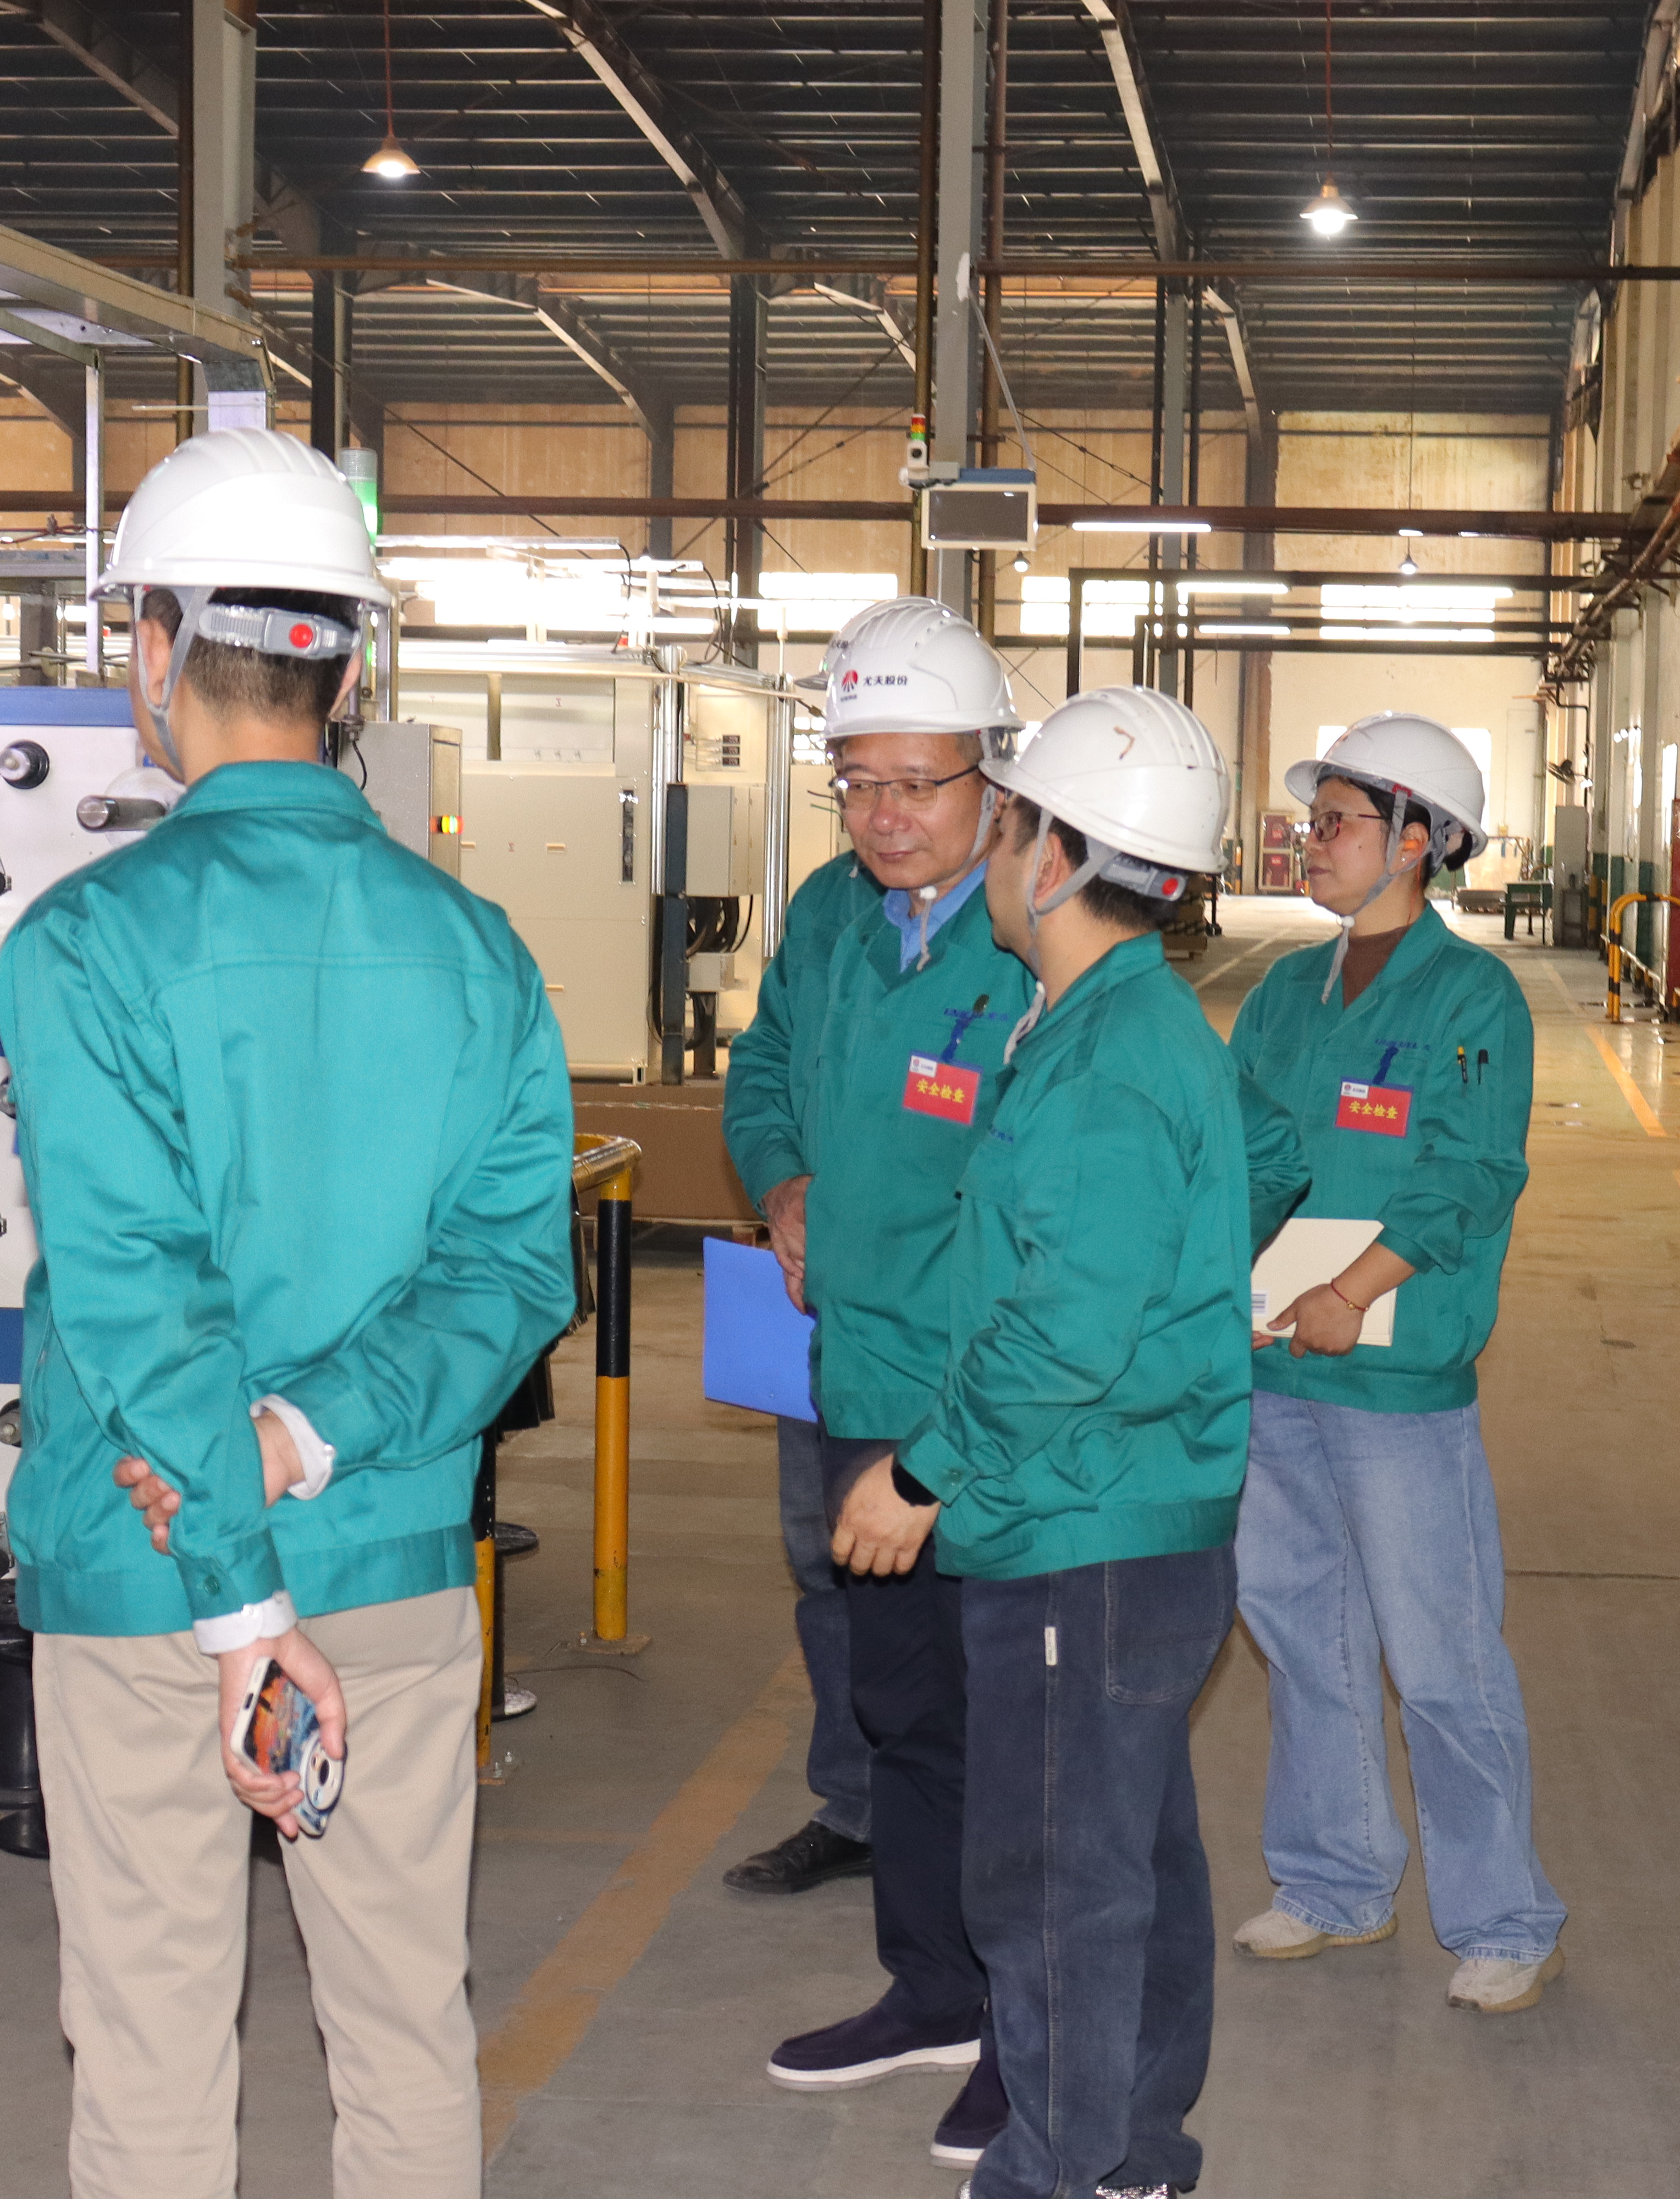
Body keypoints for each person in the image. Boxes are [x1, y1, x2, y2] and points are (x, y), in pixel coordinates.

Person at [0, 427, 575, 2199]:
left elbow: (137, 1286)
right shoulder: (478, 950)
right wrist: (309, 1434)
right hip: (387, 1560)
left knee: (155, 2041)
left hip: (148, 1574)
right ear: (352, 668)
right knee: (404, 2023)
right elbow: (510, 1276)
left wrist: (243, 1593)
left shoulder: (84, 943)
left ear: (153, 645)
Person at [830, 686, 1274, 2199]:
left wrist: (920, 1471)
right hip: (1117, 1521)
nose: (990, 846)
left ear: (1062, 855)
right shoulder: (1096, 1025)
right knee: (1131, 1861)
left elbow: (1068, 1331)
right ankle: (1132, 2148)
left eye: (1009, 818)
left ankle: (1060, 2168)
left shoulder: (1110, 1062)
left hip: (1083, 1529)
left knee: (1052, 1883)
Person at [723, 598, 1031, 2170]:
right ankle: (934, 1989)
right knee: (901, 1706)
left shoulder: (1041, 930)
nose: (884, 814)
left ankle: (1029, 2036)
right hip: (861, 1376)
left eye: (918, 781)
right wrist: (782, 1180)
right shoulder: (837, 911)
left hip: (995, 1403)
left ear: (994, 776)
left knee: (1014, 1730)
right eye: (857, 780)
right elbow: (764, 1065)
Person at [1220, 712, 1566, 2014]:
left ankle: (1504, 1915)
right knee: (1303, 1636)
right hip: (1277, 1370)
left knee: (1440, 1657)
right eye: (1311, 821)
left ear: (1420, 838)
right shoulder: (1281, 993)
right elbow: (1235, 1156)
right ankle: (1334, 1880)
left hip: (1395, 1381)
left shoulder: (1473, 997)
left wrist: (1351, 1291)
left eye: (1337, 821)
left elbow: (1471, 1174)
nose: (1310, 841)